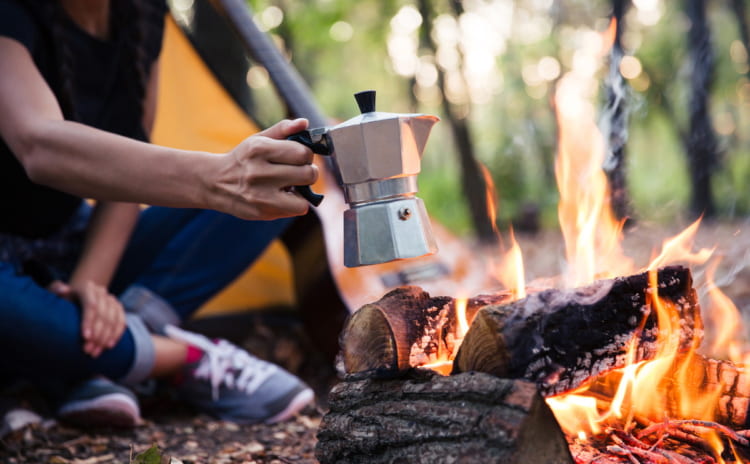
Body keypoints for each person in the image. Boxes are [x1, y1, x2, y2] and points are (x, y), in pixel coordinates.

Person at [0, 0, 320, 427]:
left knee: (284, 181)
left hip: (73, 245)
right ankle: (179, 356)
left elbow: (124, 180)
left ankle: (88, 357)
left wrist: (88, 288)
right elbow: (39, 145)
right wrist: (218, 177)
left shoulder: (143, 13)